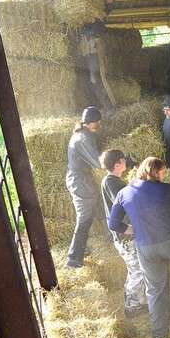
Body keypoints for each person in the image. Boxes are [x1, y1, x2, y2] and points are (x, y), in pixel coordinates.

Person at [108, 157, 170, 338]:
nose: (165, 175)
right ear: (153, 172)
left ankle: (160, 334)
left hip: (146, 247)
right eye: (163, 172)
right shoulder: (166, 189)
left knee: (155, 289)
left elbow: (113, 224)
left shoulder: (124, 193)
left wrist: (133, 229)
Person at [99, 150, 147, 319]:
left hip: (125, 233)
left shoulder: (114, 180)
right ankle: (132, 308)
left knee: (135, 269)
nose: (126, 161)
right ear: (117, 164)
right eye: (123, 160)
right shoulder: (111, 182)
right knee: (137, 271)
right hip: (124, 236)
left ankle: (135, 300)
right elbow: (124, 201)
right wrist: (136, 185)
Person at [64, 106, 106, 268]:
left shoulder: (81, 133)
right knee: (84, 220)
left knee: (101, 207)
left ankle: (111, 238)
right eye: (99, 122)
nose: (99, 125)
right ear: (94, 122)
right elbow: (99, 163)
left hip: (83, 180)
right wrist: (123, 160)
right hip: (80, 182)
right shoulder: (84, 139)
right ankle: (73, 259)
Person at [78, 0, 116, 117]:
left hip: (94, 46)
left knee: (97, 76)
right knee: (91, 79)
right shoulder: (80, 13)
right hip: (84, 49)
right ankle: (105, 107)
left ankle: (111, 107)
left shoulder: (100, 11)